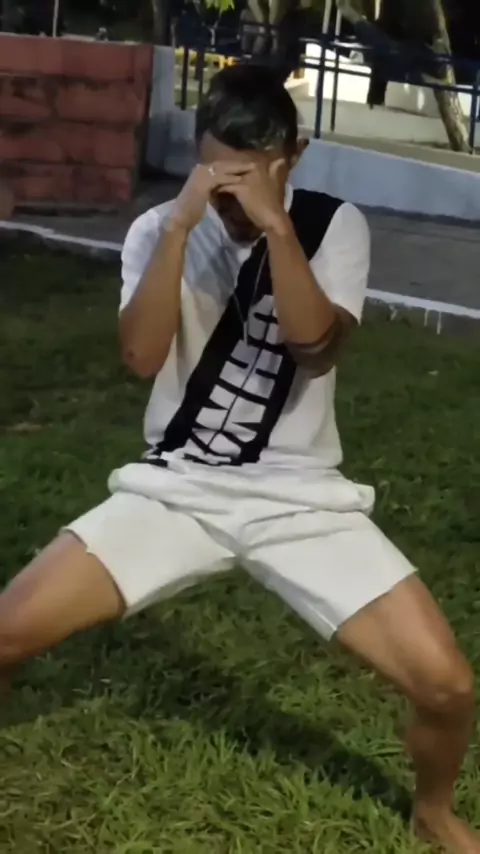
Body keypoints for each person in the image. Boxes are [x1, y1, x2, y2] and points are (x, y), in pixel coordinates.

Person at [0, 64, 478, 854]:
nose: (232, 199)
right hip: (177, 487)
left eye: (251, 177)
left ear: (294, 158)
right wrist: (181, 229)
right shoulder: (160, 230)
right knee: (6, 633)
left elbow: (316, 348)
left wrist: (278, 229)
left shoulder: (330, 226)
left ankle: (433, 811)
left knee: (448, 686)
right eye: (218, 176)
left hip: (299, 496)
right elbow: (140, 358)